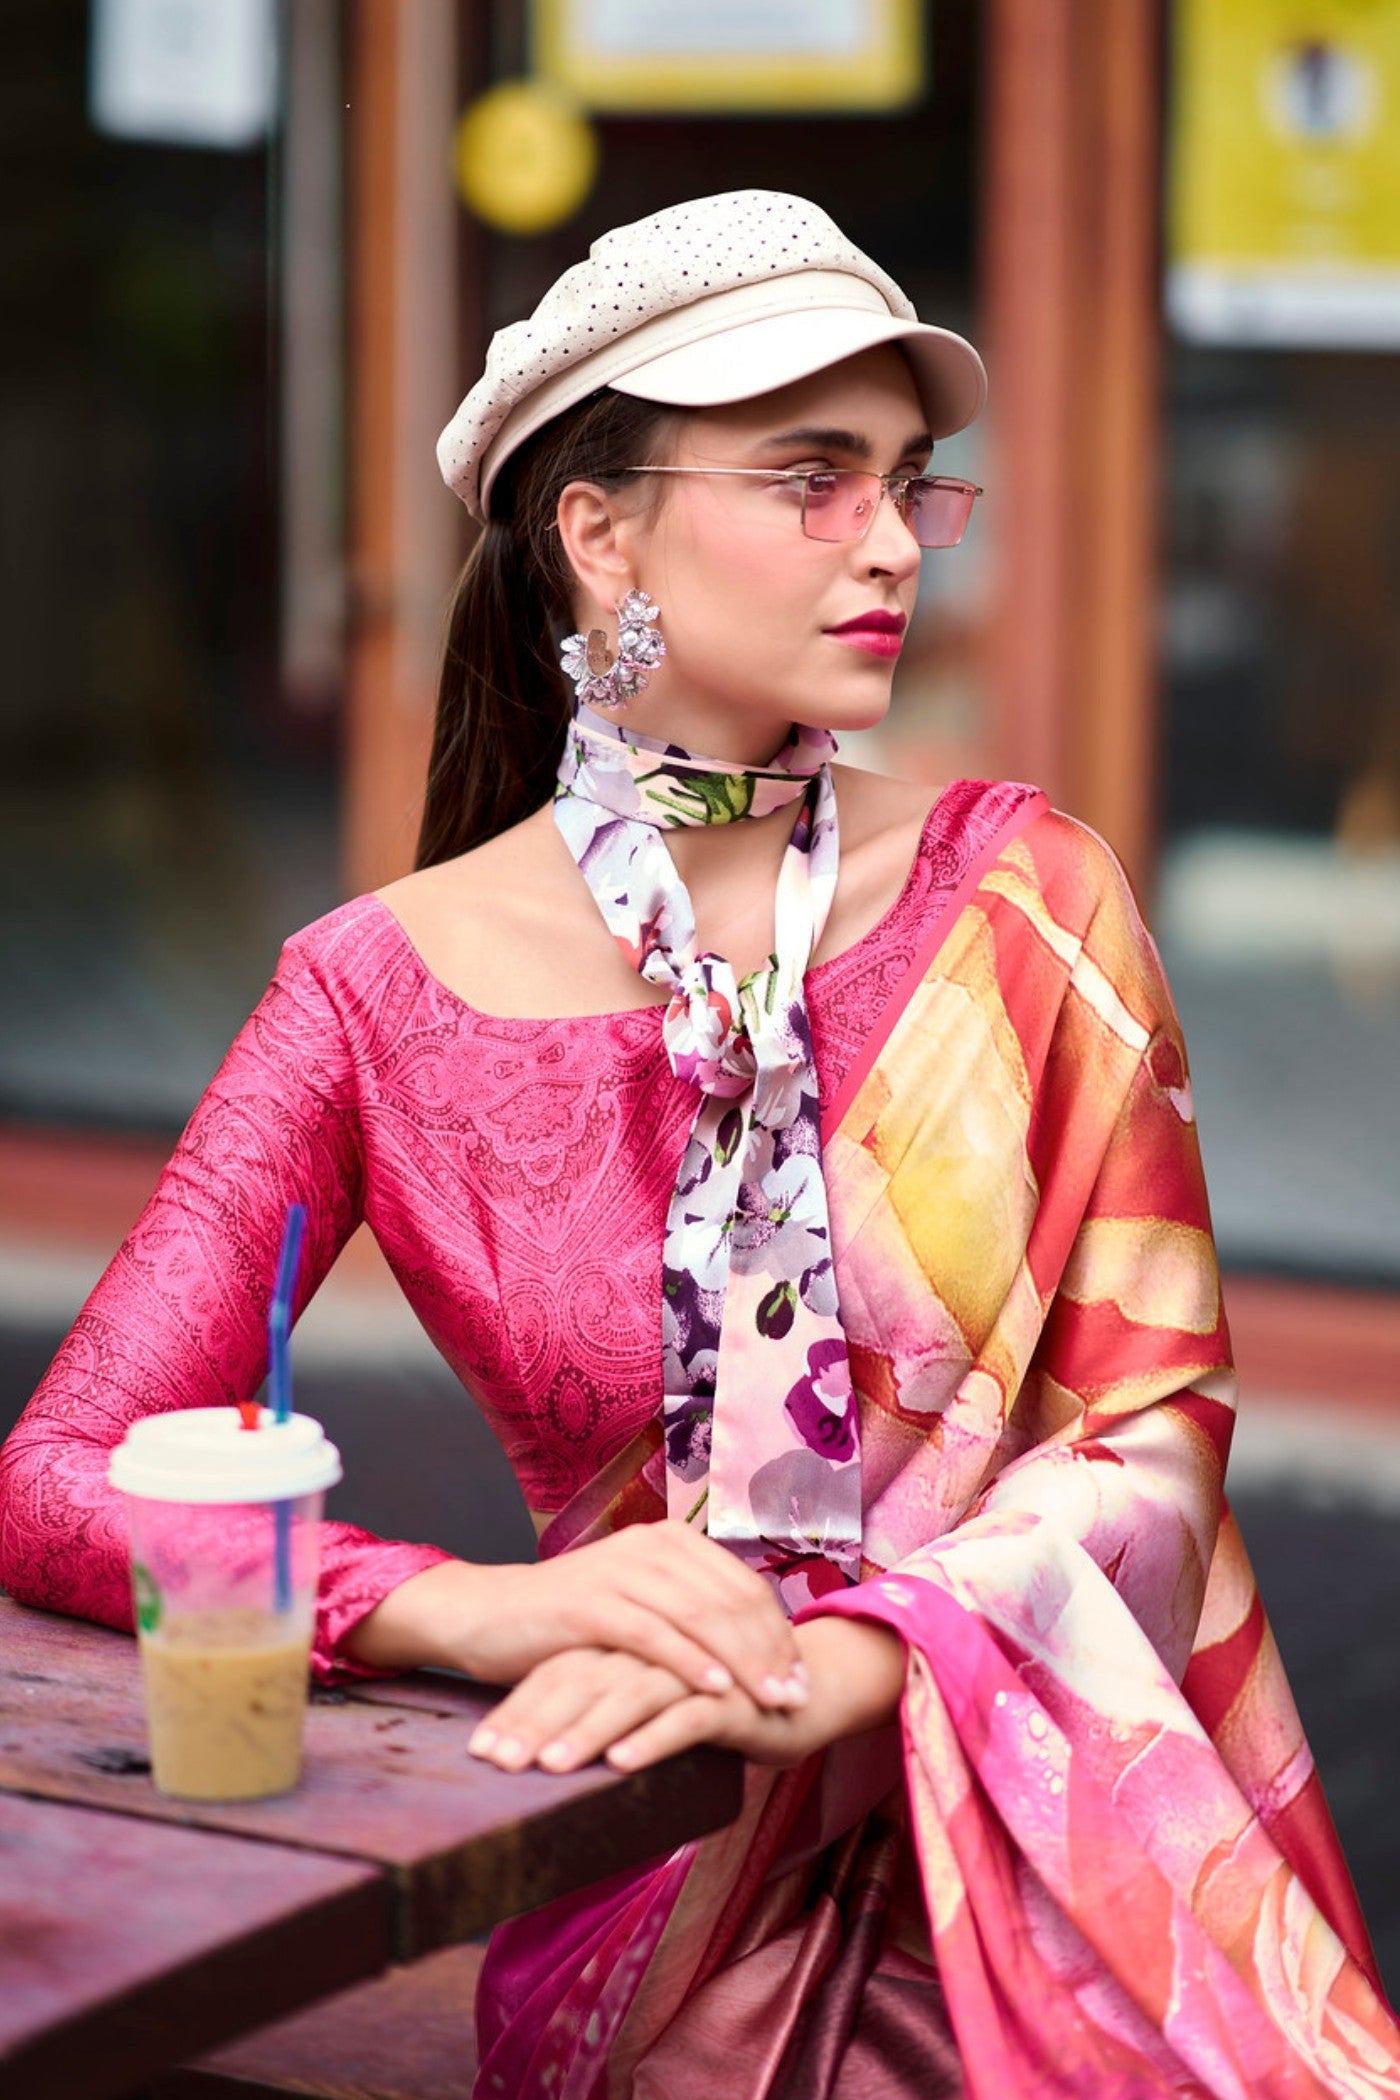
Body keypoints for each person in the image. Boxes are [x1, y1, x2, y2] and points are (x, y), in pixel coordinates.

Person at [1, 190, 1395, 2098]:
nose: (895, 542)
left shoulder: (1034, 897)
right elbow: (63, 1474)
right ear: (597, 531)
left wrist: (856, 1661)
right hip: (650, 1902)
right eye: (811, 479)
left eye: (911, 483)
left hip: (1066, 1897)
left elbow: (1156, 1446)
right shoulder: (366, 997)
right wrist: (466, 1604)